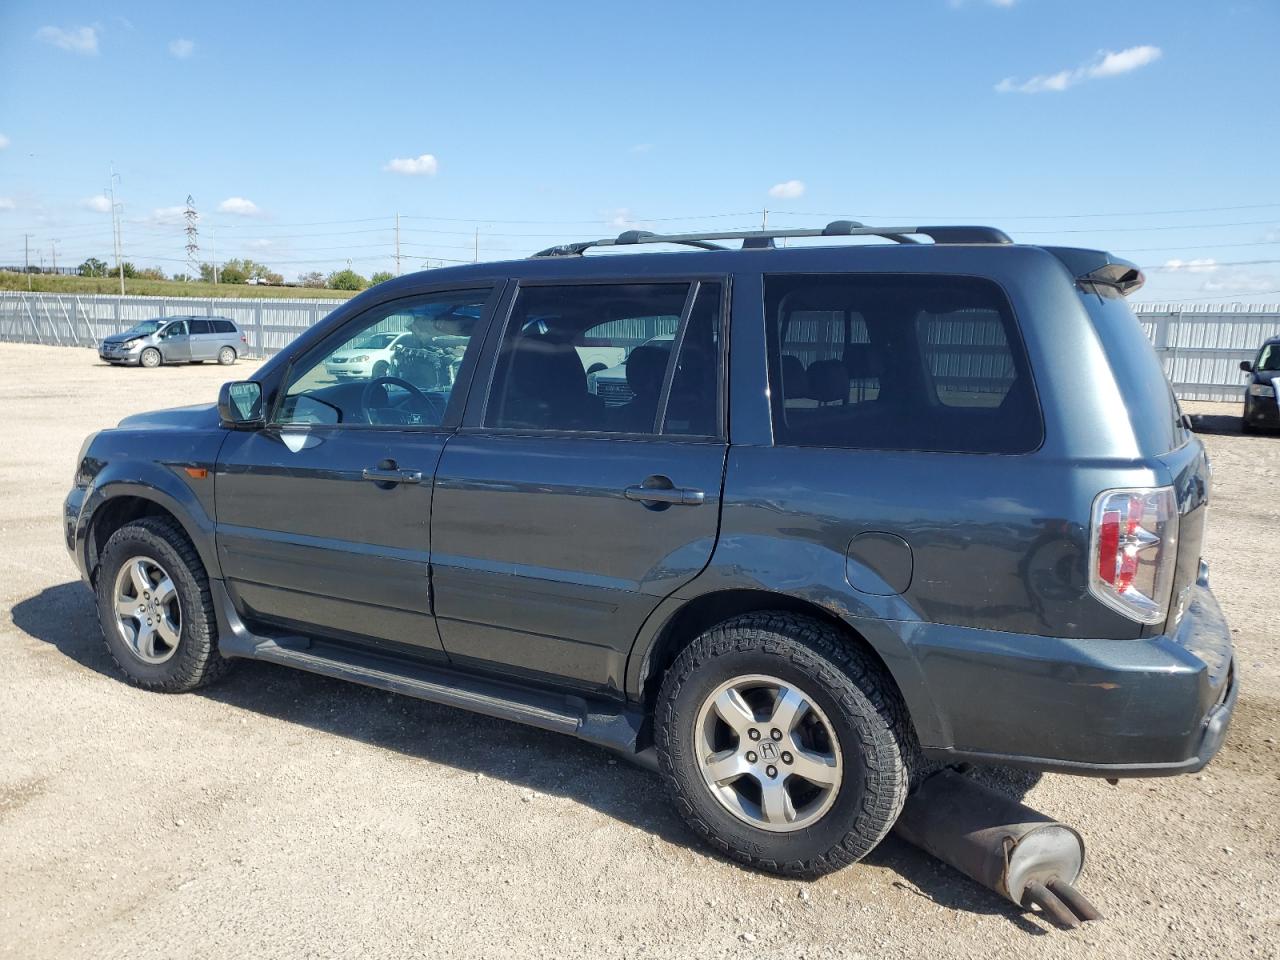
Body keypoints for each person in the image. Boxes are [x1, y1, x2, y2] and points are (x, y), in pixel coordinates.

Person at [389, 308, 472, 391]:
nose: (416, 333)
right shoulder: (407, 353)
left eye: (420, 328)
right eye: (415, 329)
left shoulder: (455, 353)